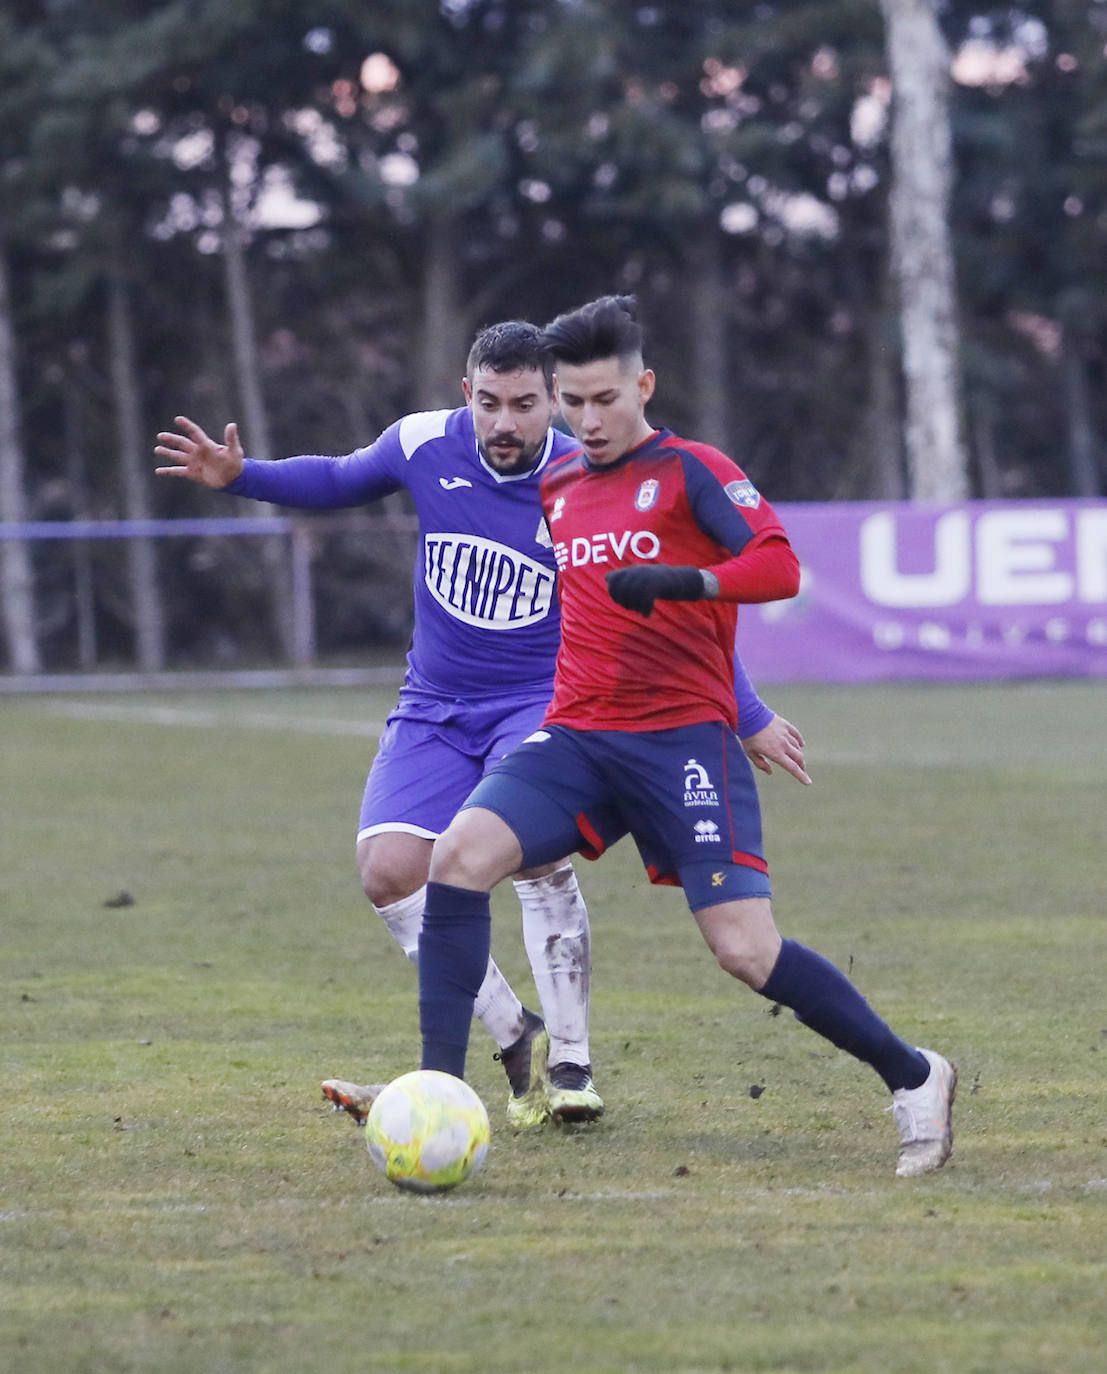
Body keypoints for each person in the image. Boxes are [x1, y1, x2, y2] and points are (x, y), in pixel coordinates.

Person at [153, 320, 808, 1130]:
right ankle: (515, 1036)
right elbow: (337, 478)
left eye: (525, 404)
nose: (505, 422)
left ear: (553, 406)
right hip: (433, 704)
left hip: (547, 700)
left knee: (526, 857)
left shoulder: (588, 476)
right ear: (467, 395)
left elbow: (666, 613)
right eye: (489, 403)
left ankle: (571, 1066)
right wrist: (241, 475)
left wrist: (744, 713)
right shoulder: (425, 442)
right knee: (388, 871)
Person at [415, 296, 957, 1177]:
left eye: (604, 400)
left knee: (744, 951)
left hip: (680, 747)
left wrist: (688, 582)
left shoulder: (694, 470)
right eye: (573, 402)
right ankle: (436, 1093)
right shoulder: (555, 487)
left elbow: (777, 566)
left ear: (643, 386)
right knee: (458, 856)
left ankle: (913, 1075)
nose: (587, 421)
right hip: (578, 738)